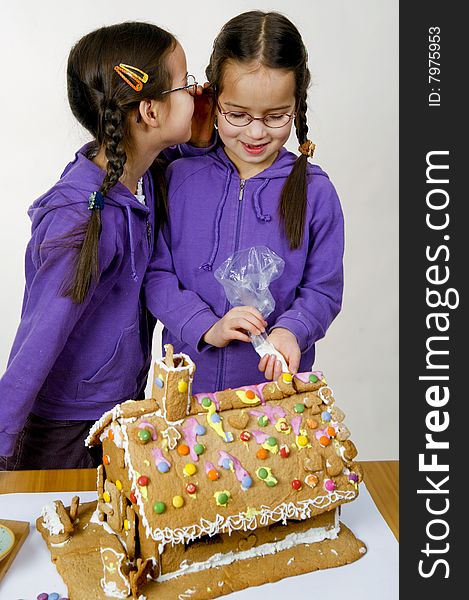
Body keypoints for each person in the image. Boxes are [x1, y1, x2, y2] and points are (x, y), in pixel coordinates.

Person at [0, 21, 210, 469]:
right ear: (149, 112)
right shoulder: (81, 217)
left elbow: (188, 156)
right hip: (64, 434)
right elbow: (36, 343)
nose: (195, 94)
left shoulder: (144, 178)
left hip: (120, 410)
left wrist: (206, 122)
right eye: (186, 84)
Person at [144, 10, 345, 395]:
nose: (255, 132)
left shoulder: (316, 191)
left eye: (275, 116)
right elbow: (156, 274)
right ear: (211, 98)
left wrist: (292, 330)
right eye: (237, 114)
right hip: (184, 392)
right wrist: (207, 325)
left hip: (273, 394)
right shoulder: (179, 176)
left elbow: (323, 289)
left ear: (297, 104)